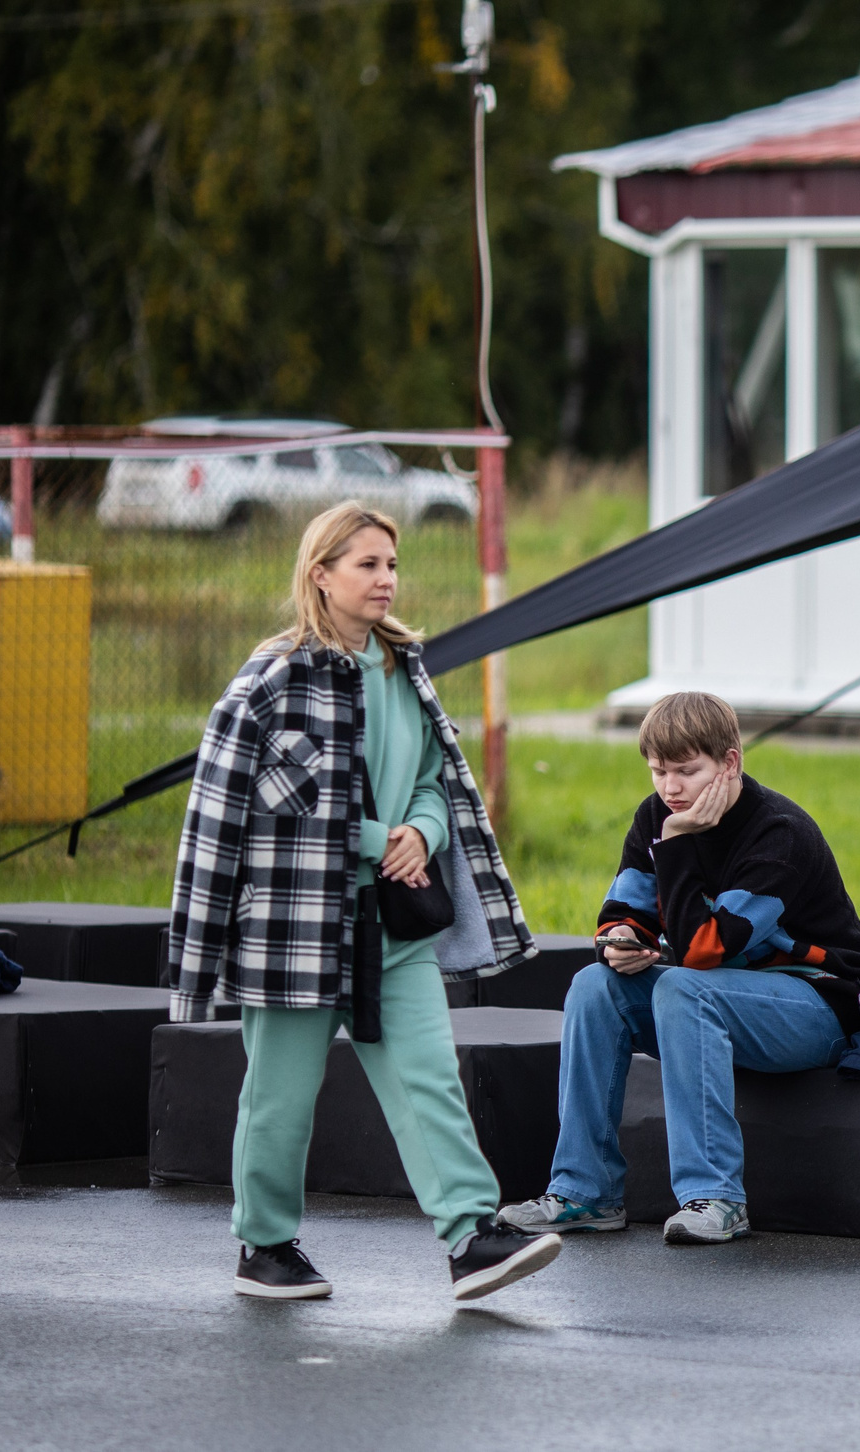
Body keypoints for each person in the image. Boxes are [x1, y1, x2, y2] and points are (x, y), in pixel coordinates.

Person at [168, 502, 557, 1302]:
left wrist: (421, 830)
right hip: (293, 928)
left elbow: (429, 779)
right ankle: (265, 1247)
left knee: (429, 1078)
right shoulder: (271, 680)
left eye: (392, 564)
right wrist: (386, 843)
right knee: (279, 1093)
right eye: (368, 565)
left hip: (394, 926)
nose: (387, 580)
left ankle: (471, 1238)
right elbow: (273, 807)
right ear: (321, 575)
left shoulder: (403, 666)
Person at [501, 692, 860, 1246]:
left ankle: (717, 1197)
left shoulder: (779, 833)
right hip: (718, 997)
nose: (671, 788)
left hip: (817, 1007)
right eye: (659, 771)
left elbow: (706, 948)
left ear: (730, 763)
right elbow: (620, 914)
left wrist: (676, 845)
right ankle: (585, 1192)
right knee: (594, 984)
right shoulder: (656, 814)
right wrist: (623, 942)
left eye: (687, 770)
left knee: (683, 984)